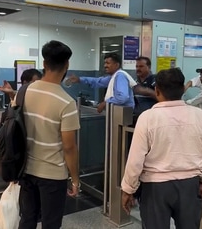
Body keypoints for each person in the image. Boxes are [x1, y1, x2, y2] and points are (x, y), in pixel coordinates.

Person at [120, 68, 202, 229]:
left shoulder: (147, 118)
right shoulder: (200, 116)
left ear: (157, 91)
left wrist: (128, 189)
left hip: (155, 187)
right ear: (182, 90)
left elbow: (135, 160)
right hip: (190, 185)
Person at [17, 40, 81, 229]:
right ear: (67, 65)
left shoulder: (24, 91)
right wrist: (75, 179)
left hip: (26, 170)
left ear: (44, 64)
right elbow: (69, 147)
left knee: (27, 219)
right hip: (53, 175)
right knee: (51, 223)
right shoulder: (66, 103)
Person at [66, 52, 136, 113]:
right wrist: (80, 79)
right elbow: (98, 81)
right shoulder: (113, 77)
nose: (105, 66)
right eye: (105, 63)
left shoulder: (120, 76)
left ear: (117, 65)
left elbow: (122, 97)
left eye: (108, 63)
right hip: (116, 113)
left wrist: (105, 103)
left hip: (123, 114)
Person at [133, 56, 157, 124]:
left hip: (151, 120)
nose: (138, 69)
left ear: (149, 67)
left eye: (141, 66)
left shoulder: (155, 80)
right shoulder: (135, 81)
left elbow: (163, 98)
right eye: (137, 66)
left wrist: (147, 91)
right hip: (138, 119)